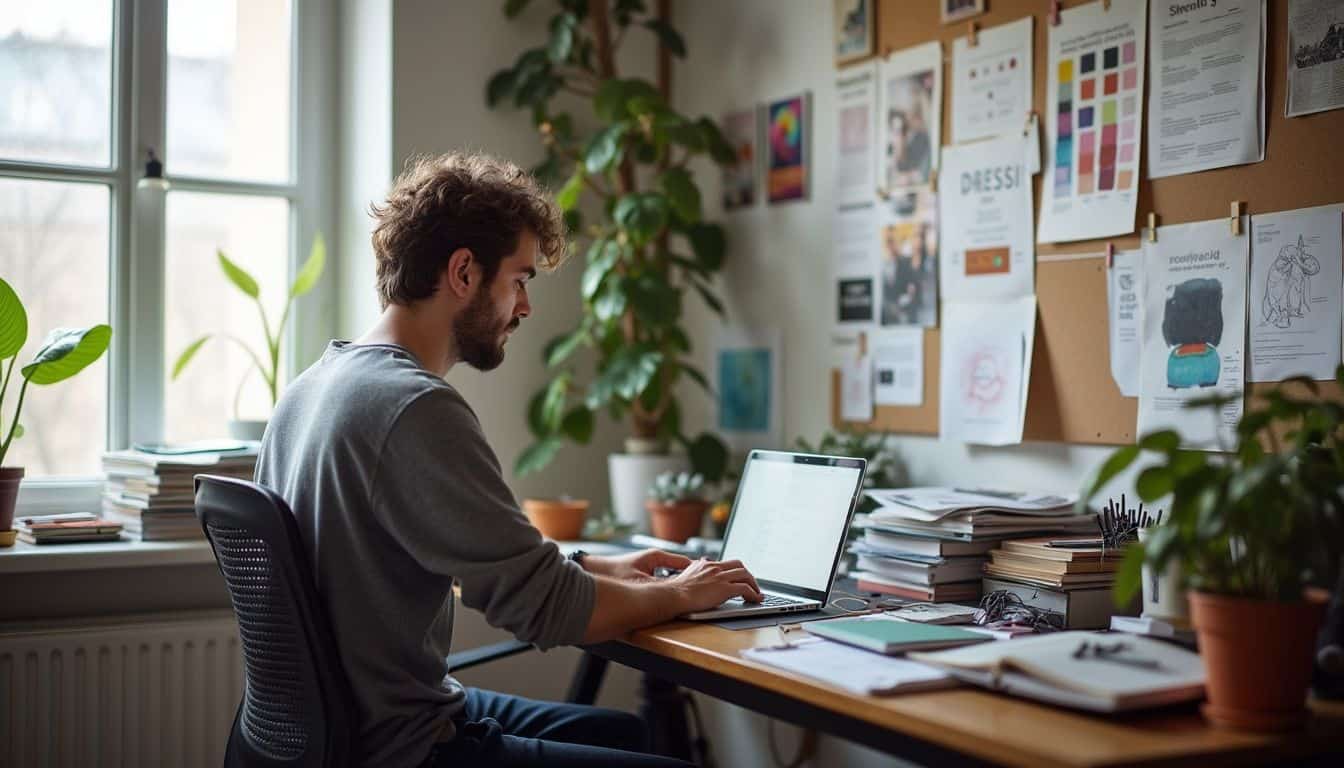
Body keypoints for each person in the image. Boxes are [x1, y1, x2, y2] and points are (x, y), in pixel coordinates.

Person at [256, 151, 764, 768]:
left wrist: (597, 564)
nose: (524, 307)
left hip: (341, 731)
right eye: (519, 279)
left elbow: (470, 560)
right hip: (402, 748)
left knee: (625, 736)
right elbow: (546, 610)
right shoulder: (414, 407)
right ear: (464, 272)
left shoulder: (314, 385)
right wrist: (682, 594)